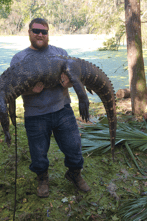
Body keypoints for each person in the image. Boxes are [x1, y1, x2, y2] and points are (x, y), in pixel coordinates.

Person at [10, 18, 90, 198]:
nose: (40, 34)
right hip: (35, 115)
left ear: (48, 34)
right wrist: (30, 90)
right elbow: (13, 89)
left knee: (74, 147)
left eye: (44, 32)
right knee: (38, 154)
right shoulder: (19, 58)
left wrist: (68, 83)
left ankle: (74, 174)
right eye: (36, 30)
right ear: (29, 32)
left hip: (62, 110)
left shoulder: (60, 53)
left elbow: (73, 80)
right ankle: (42, 179)